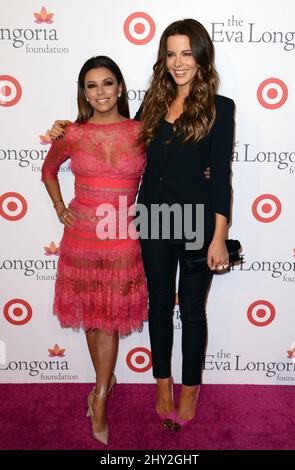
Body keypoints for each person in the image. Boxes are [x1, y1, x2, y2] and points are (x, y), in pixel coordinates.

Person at [49, 18, 235, 432]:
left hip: (194, 223)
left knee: (190, 310)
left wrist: (219, 235)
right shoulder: (153, 102)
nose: (178, 61)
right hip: (150, 220)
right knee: (157, 307)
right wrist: (65, 127)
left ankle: (190, 388)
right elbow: (109, 136)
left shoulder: (221, 108)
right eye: (170, 53)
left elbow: (220, 175)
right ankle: (162, 384)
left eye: (187, 52)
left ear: (202, 56)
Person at [41, 56, 148, 445]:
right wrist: (59, 208)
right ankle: (102, 389)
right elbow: (49, 170)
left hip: (122, 239)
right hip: (81, 239)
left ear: (120, 87)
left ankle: (99, 394)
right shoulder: (71, 133)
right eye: (91, 85)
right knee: (92, 317)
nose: (100, 92)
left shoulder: (141, 131)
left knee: (110, 318)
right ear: (83, 92)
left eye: (107, 83)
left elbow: (167, 170)